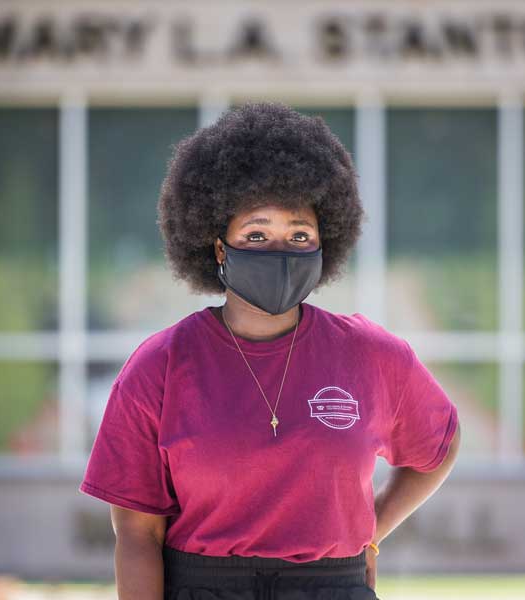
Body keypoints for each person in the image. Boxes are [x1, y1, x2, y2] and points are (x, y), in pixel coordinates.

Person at [79, 101, 461, 600]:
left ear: (326, 241)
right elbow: (136, 534)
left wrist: (372, 530)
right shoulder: (160, 365)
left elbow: (439, 445)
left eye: (299, 234)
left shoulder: (369, 355)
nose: (279, 251)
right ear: (219, 246)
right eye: (256, 234)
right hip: (204, 587)